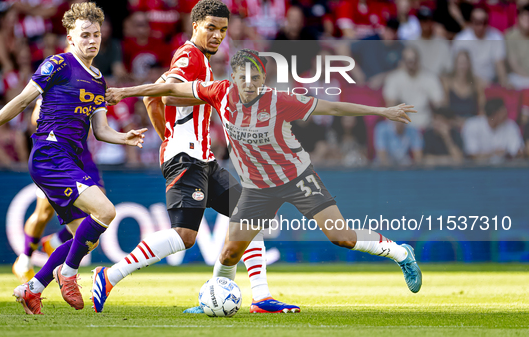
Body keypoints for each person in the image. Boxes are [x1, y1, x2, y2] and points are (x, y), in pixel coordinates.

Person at [106, 48, 422, 302]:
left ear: (263, 79)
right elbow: (170, 88)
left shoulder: (279, 100)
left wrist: (383, 112)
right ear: (233, 78)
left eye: (255, 78)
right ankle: (218, 298)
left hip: (297, 177)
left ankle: (400, 252)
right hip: (258, 188)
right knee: (230, 252)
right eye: (243, 77)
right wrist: (126, 91)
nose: (249, 84)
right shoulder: (219, 92)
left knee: (341, 236)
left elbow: (333, 109)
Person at [92, 0, 298, 315]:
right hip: (185, 158)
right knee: (185, 236)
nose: (217, 35)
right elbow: (162, 90)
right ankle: (110, 275)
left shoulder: (198, 59)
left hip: (203, 158)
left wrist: (165, 132)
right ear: (195, 26)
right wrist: (167, 136)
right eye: (211, 28)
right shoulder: (189, 56)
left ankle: (260, 297)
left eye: (223, 30)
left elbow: (155, 94)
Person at [0, 2, 147, 315]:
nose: (92, 40)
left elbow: (100, 130)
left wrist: (123, 137)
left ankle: (32, 289)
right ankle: (68, 273)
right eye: (84, 34)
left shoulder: (99, 80)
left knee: (83, 238)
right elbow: (21, 102)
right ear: (71, 38)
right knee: (105, 211)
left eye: (96, 34)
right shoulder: (58, 64)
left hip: (69, 159)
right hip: (49, 154)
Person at [12, 98, 105, 283]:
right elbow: (35, 119)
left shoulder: (91, 85)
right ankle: (25, 259)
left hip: (82, 155)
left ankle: (54, 243)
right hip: (56, 155)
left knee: (101, 205)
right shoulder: (57, 85)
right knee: (43, 213)